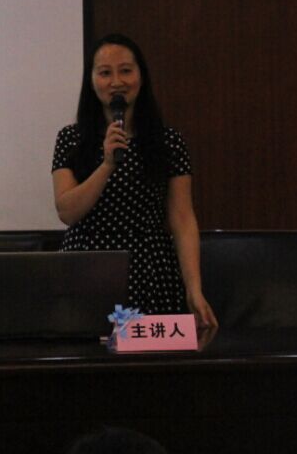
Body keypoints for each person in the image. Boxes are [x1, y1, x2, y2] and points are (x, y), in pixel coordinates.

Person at [51, 33, 217, 327]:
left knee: (149, 353)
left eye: (126, 71)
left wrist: (194, 288)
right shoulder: (71, 139)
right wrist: (107, 165)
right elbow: (67, 211)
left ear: (141, 77)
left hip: (151, 266)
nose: (116, 82)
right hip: (87, 265)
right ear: (91, 81)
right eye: (105, 73)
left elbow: (182, 218)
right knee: (86, 351)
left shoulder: (168, 141)